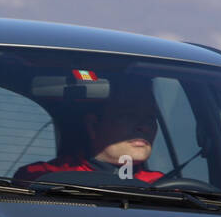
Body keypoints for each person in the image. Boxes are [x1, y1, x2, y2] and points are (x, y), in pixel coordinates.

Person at [15, 77, 164, 183]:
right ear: (93, 125)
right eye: (128, 116)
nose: (144, 126)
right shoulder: (41, 178)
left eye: (150, 118)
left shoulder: (168, 189)